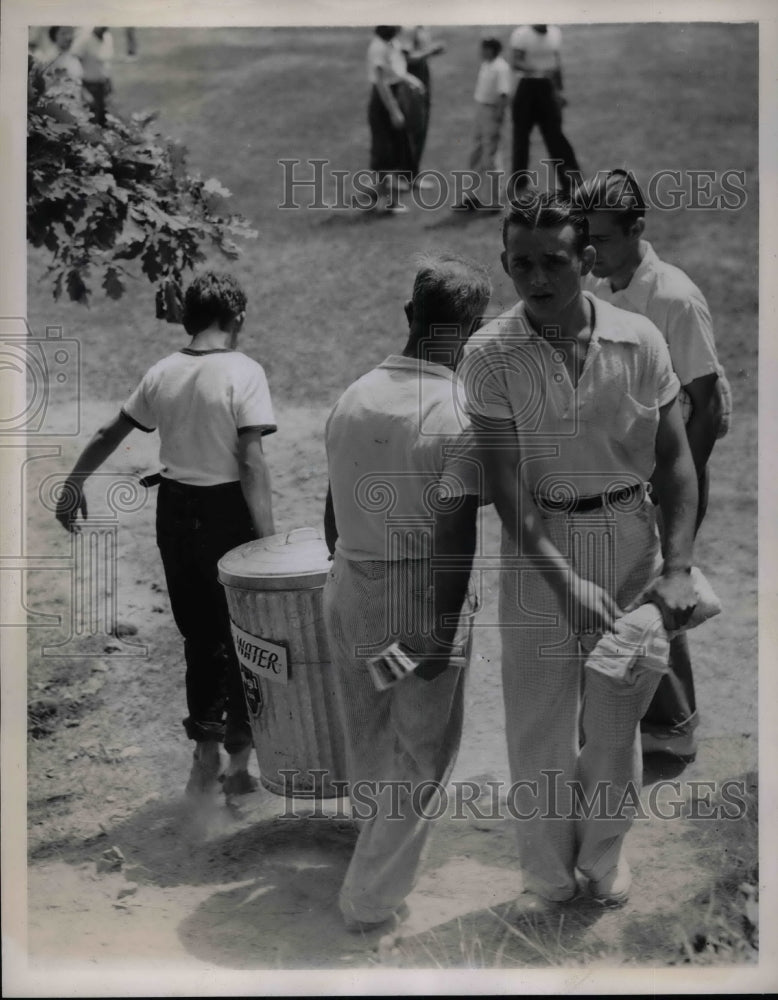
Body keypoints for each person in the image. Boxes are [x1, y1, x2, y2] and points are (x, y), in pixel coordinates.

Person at [459, 191, 698, 908]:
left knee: (617, 721)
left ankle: (603, 862)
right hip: (539, 551)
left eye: (554, 262)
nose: (537, 279)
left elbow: (677, 460)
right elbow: (505, 488)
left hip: (630, 542)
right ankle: (545, 875)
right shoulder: (489, 353)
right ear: (505, 265)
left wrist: (678, 566)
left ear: (588, 260)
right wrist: (564, 583)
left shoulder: (641, 340)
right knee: (537, 721)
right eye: (521, 264)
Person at [55, 272, 276, 799]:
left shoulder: (162, 372)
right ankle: (240, 767)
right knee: (243, 637)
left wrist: (73, 485)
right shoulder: (244, 371)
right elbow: (250, 462)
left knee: (199, 636)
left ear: (187, 319)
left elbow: (110, 432)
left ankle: (204, 752)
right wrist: (268, 543)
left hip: (175, 515)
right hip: (227, 514)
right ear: (237, 319)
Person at [323, 252, 490, 932]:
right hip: (419, 592)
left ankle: (371, 854)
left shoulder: (353, 394)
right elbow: (456, 540)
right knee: (422, 754)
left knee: (367, 734)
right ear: (471, 332)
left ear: (409, 318)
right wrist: (439, 632)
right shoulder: (459, 414)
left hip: (349, 583)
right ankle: (370, 901)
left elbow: (330, 513)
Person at [576, 168, 730, 763]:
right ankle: (648, 718)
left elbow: (708, 401)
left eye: (604, 239)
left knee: (659, 588)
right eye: (584, 238)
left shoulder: (672, 296)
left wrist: (673, 485)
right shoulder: (601, 286)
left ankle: (675, 724)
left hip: (670, 469)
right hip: (624, 469)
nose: (591, 252)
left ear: (638, 228)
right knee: (630, 591)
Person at [509, 24, 580, 196]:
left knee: (555, 137)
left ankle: (570, 182)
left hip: (547, 90)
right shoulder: (522, 34)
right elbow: (515, 61)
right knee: (521, 139)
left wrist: (560, 91)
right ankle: (520, 183)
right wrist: (539, 70)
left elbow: (557, 63)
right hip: (527, 88)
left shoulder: (555, 33)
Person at [365, 26, 426, 214]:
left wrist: (411, 80)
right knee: (385, 153)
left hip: (396, 93)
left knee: (398, 149)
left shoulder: (392, 43)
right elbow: (381, 83)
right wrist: (394, 111)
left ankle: (383, 200)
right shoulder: (378, 47)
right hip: (385, 100)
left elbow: (397, 70)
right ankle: (382, 202)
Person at [457, 36, 512, 211]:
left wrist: (497, 118)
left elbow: (504, 95)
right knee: (475, 154)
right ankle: (471, 198)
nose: (480, 52)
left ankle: (495, 201)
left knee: (491, 157)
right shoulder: (486, 64)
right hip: (481, 110)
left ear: (490, 50)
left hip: (491, 112)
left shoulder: (500, 68)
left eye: (483, 48)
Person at [396, 26, 446, 190]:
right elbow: (407, 58)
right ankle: (403, 176)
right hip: (412, 78)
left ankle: (412, 175)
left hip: (423, 75)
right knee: (413, 127)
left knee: (421, 127)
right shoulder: (407, 29)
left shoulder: (422, 27)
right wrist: (431, 51)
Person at [72, 26, 114, 125]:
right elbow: (75, 64)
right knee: (90, 122)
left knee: (104, 121)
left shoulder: (108, 37)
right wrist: (83, 90)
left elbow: (106, 63)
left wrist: (109, 84)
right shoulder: (84, 39)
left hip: (103, 85)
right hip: (88, 86)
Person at [36, 26, 84, 100]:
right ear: (54, 36)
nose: (68, 37)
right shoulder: (49, 59)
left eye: (70, 33)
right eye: (63, 33)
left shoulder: (74, 59)